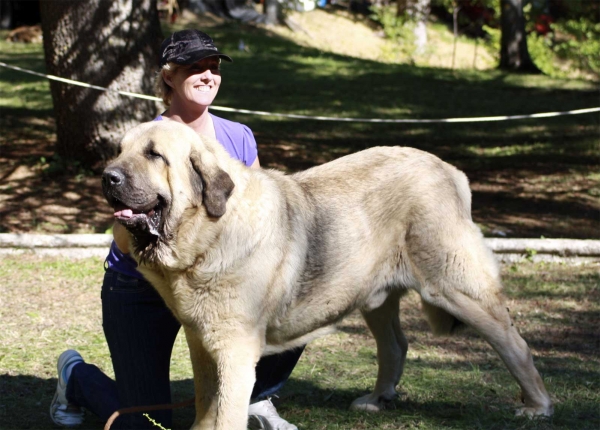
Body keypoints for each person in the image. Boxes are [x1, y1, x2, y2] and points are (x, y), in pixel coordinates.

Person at [50, 29, 304, 430]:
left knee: (300, 306)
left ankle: (252, 397)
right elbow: (123, 237)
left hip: (216, 287)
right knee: (146, 423)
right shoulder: (145, 140)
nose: (207, 76)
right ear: (168, 76)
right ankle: (77, 378)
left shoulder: (238, 136)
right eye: (194, 68)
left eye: (213, 67)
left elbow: (261, 216)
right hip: (140, 287)